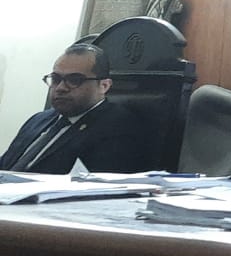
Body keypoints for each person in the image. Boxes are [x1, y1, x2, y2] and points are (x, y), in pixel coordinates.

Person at [1, 43, 154, 174]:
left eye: (74, 80)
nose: (60, 88)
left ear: (104, 85)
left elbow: (93, 190)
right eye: (56, 79)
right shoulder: (38, 120)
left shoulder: (118, 128)